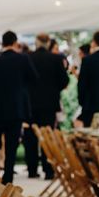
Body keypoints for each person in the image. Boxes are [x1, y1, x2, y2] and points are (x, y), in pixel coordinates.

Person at [0, 30, 37, 185]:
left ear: (3, 43)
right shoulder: (23, 59)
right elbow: (34, 79)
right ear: (15, 42)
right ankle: (8, 178)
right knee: (12, 146)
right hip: (16, 109)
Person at [23, 33, 70, 179]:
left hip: (30, 104)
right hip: (50, 104)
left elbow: (23, 80)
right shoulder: (56, 59)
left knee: (30, 137)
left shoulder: (27, 58)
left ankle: (32, 169)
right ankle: (48, 169)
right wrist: (54, 89)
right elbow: (64, 81)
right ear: (48, 43)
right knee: (47, 137)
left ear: (36, 43)